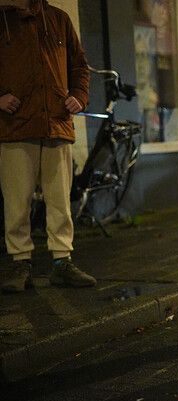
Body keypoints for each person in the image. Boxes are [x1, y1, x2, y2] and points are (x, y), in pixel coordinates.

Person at [0, 0, 96, 293]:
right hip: (15, 125)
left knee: (60, 202)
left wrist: (79, 95)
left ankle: (61, 262)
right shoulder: (2, 19)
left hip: (56, 123)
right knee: (17, 203)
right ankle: (20, 263)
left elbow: (80, 66)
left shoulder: (58, 19)